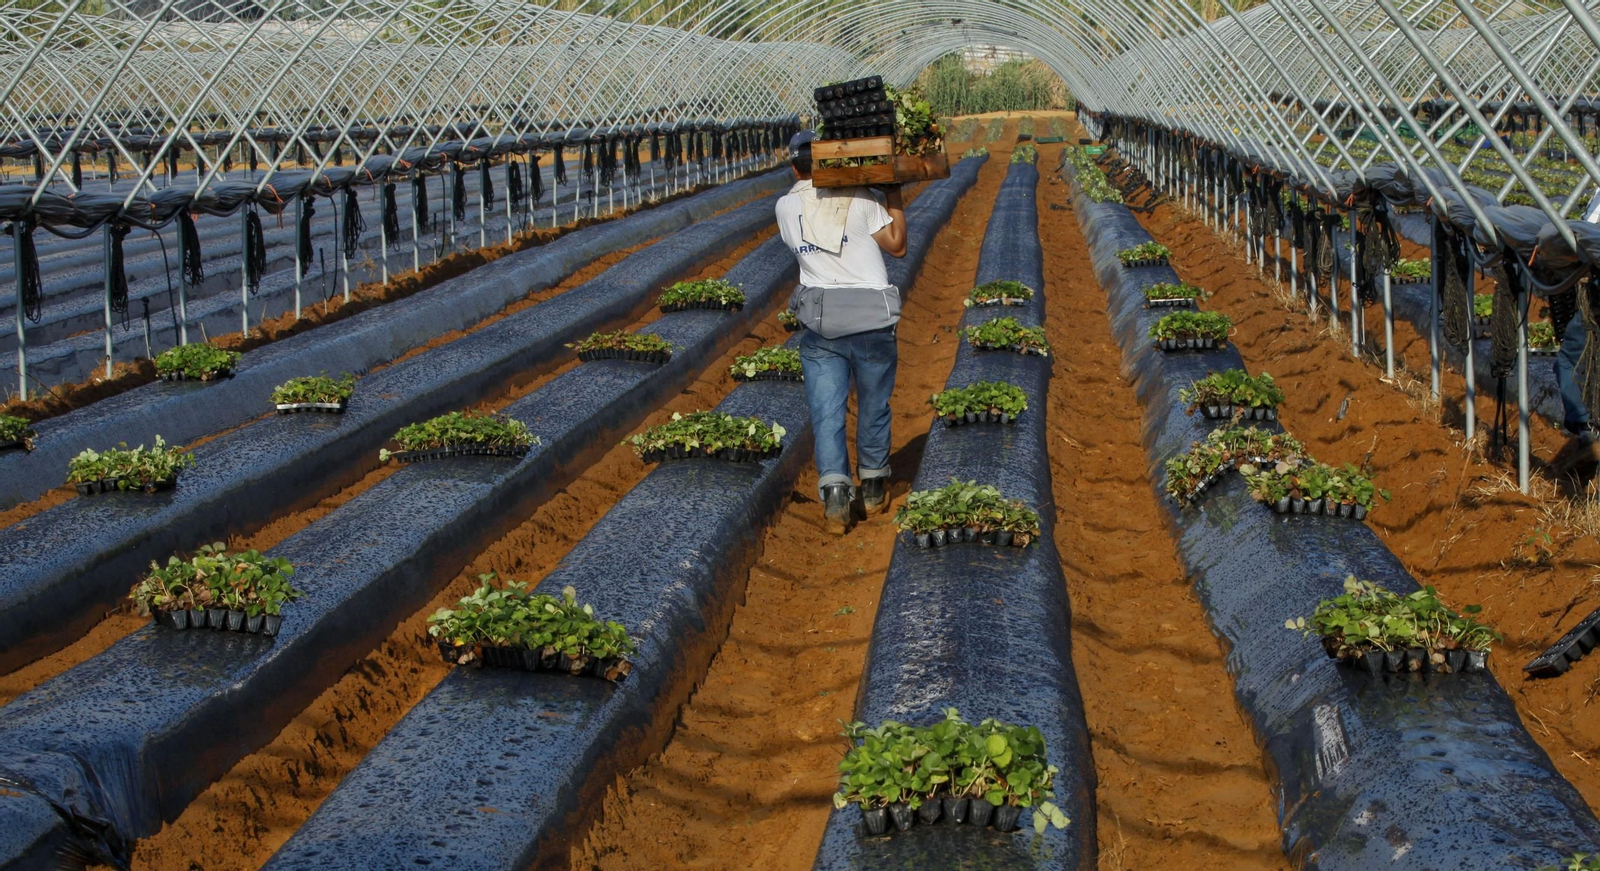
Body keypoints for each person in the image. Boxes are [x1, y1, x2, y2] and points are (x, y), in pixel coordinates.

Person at [777, 130, 908, 534]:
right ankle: (871, 485)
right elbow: (898, 245)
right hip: (871, 318)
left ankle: (836, 496)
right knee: (873, 404)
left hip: (822, 321)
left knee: (827, 411)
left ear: (794, 166)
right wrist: (893, 193)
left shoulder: (784, 207)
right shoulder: (864, 198)